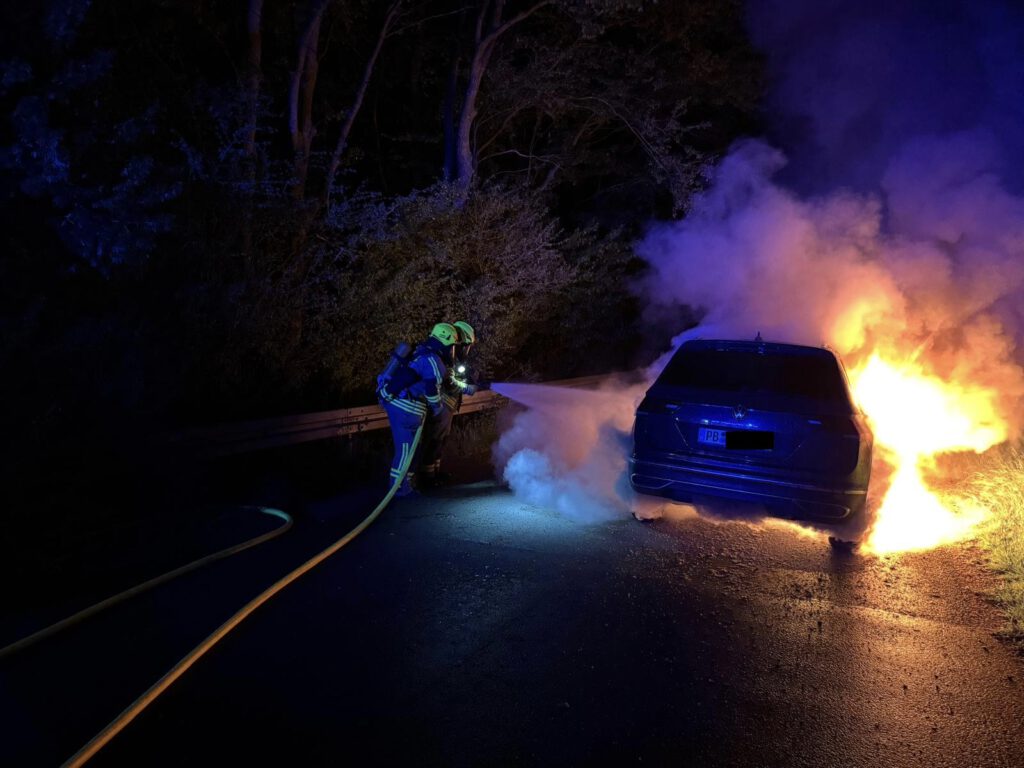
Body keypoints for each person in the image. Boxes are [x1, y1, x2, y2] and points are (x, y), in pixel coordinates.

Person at [376, 323, 458, 497]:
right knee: (406, 450)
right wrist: (437, 408)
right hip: (406, 408)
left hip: (406, 406)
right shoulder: (434, 361)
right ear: (446, 342)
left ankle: (407, 486)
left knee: (411, 450)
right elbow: (431, 389)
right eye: (452, 346)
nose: (452, 351)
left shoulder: (421, 353)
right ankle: (399, 489)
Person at [419, 320, 485, 485]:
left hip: (447, 406)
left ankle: (435, 473)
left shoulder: (451, 355)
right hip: (441, 405)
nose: (465, 348)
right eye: (466, 344)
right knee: (434, 440)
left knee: (441, 440)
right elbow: (450, 381)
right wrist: (467, 388)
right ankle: (428, 478)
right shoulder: (447, 355)